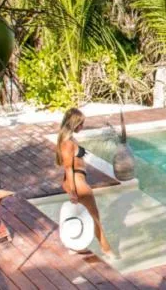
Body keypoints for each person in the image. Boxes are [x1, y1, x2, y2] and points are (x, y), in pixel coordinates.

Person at [56, 108, 112, 254]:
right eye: (80, 124)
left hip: (76, 181)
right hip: (77, 182)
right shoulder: (67, 143)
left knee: (83, 214)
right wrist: (73, 192)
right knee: (95, 219)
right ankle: (108, 252)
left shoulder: (68, 140)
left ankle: (75, 246)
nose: (82, 126)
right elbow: (68, 168)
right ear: (73, 124)